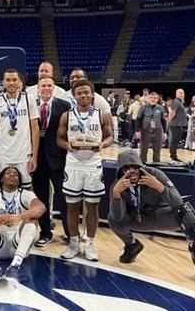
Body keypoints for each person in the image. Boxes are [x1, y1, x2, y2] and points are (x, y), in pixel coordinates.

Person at [108, 149, 195, 284]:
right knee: (111, 218)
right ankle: (132, 245)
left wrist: (160, 187)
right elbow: (118, 217)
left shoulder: (156, 174)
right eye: (126, 169)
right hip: (139, 218)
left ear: (141, 167)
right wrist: (116, 195)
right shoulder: (117, 185)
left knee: (187, 213)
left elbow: (178, 202)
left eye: (135, 167)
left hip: (161, 215)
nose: (132, 171)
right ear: (120, 171)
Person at [57, 79, 113, 261]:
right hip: (73, 164)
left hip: (93, 164)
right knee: (71, 206)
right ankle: (73, 242)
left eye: (86, 92)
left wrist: (103, 144)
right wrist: (68, 145)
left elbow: (111, 136)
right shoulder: (66, 115)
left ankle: (90, 243)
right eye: (79, 93)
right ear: (74, 96)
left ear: (92, 94)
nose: (83, 95)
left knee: (92, 206)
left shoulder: (101, 114)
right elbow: (59, 139)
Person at [32, 77, 71, 246]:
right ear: (38, 88)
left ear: (54, 88)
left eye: (49, 85)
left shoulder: (65, 105)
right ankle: (45, 233)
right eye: (43, 85)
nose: (46, 88)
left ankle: (71, 234)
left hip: (58, 158)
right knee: (41, 198)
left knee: (63, 197)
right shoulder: (30, 104)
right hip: (37, 158)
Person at [0, 69, 39, 189]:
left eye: (14, 80)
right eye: (8, 80)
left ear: (19, 82)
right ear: (3, 82)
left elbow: (35, 128)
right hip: (4, 155)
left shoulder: (29, 99)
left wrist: (34, 156)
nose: (11, 83)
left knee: (26, 189)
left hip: (24, 155)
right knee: (5, 189)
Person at [136, 92, 167, 163]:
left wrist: (165, 132)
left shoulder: (161, 108)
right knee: (143, 151)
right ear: (148, 98)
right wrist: (137, 131)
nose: (153, 99)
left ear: (158, 99)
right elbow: (138, 119)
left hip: (157, 131)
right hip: (145, 131)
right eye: (151, 98)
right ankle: (142, 165)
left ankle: (156, 165)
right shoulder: (143, 107)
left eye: (155, 98)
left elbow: (163, 120)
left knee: (157, 151)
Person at [168, 89, 187, 162]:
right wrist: (170, 120)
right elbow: (172, 112)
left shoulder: (179, 102)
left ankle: (173, 155)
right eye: (180, 93)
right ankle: (173, 156)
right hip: (176, 125)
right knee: (175, 141)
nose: (182, 94)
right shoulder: (176, 102)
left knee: (175, 141)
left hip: (178, 125)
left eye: (183, 93)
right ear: (176, 94)